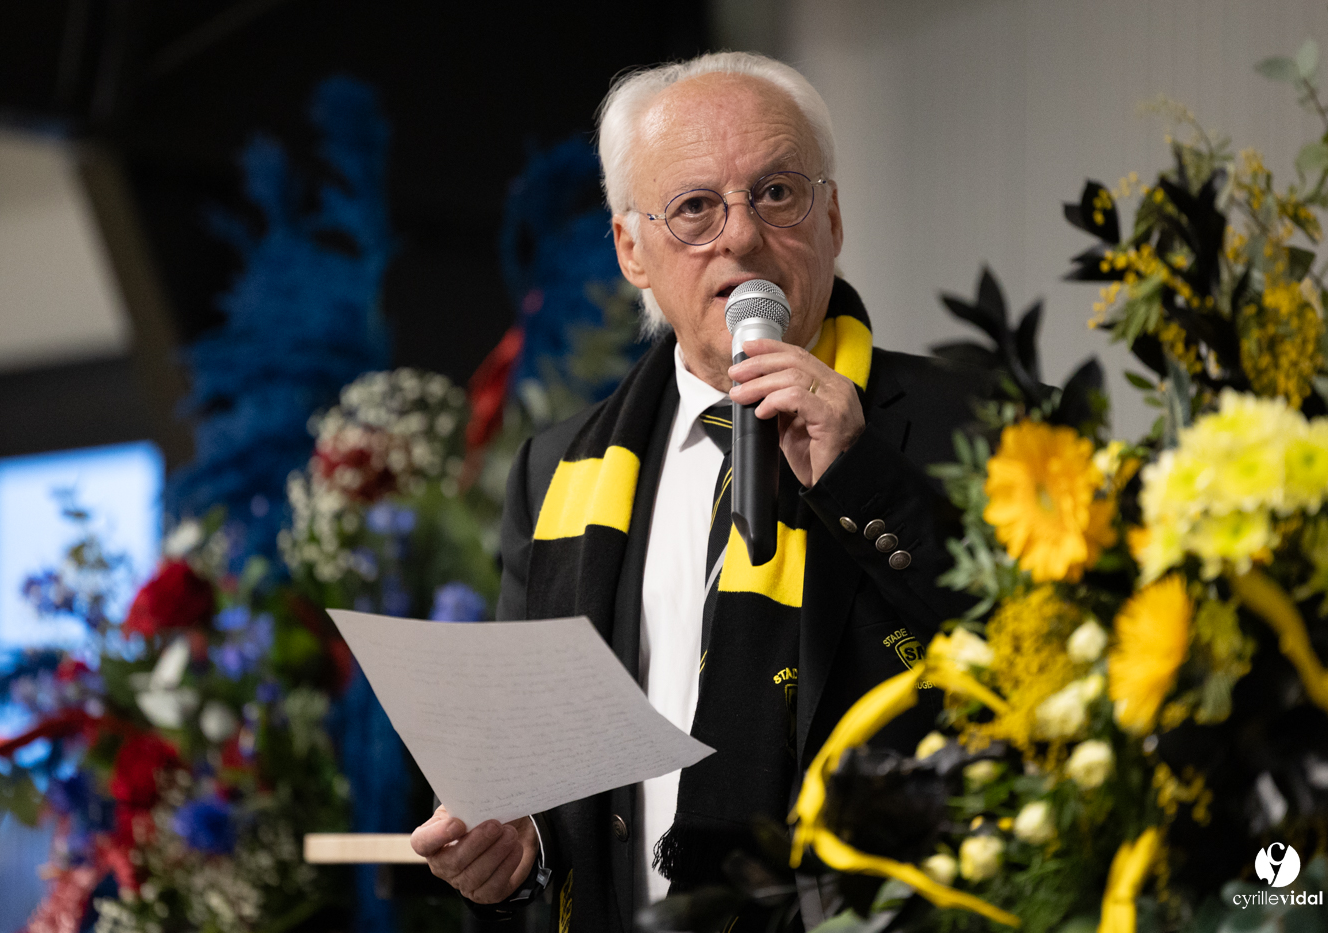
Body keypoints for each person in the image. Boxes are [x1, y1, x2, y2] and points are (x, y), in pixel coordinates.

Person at [411, 51, 988, 931]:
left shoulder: (979, 423)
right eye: (694, 208)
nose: (742, 237)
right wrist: (522, 846)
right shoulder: (554, 471)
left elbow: (1043, 661)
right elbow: (537, 778)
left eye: (778, 193)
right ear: (630, 250)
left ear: (832, 217)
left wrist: (861, 474)